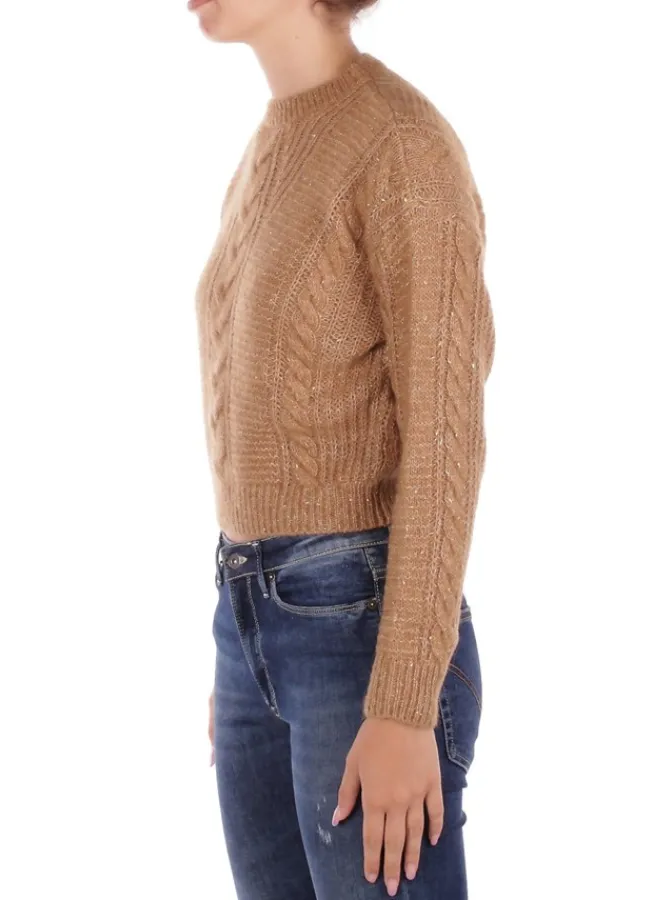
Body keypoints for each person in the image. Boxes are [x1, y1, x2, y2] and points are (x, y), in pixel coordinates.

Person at [189, 1, 495, 897]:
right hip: (250, 620)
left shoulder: (402, 145)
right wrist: (251, 649)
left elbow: (446, 437)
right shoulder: (272, 145)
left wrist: (403, 699)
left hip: (359, 636)